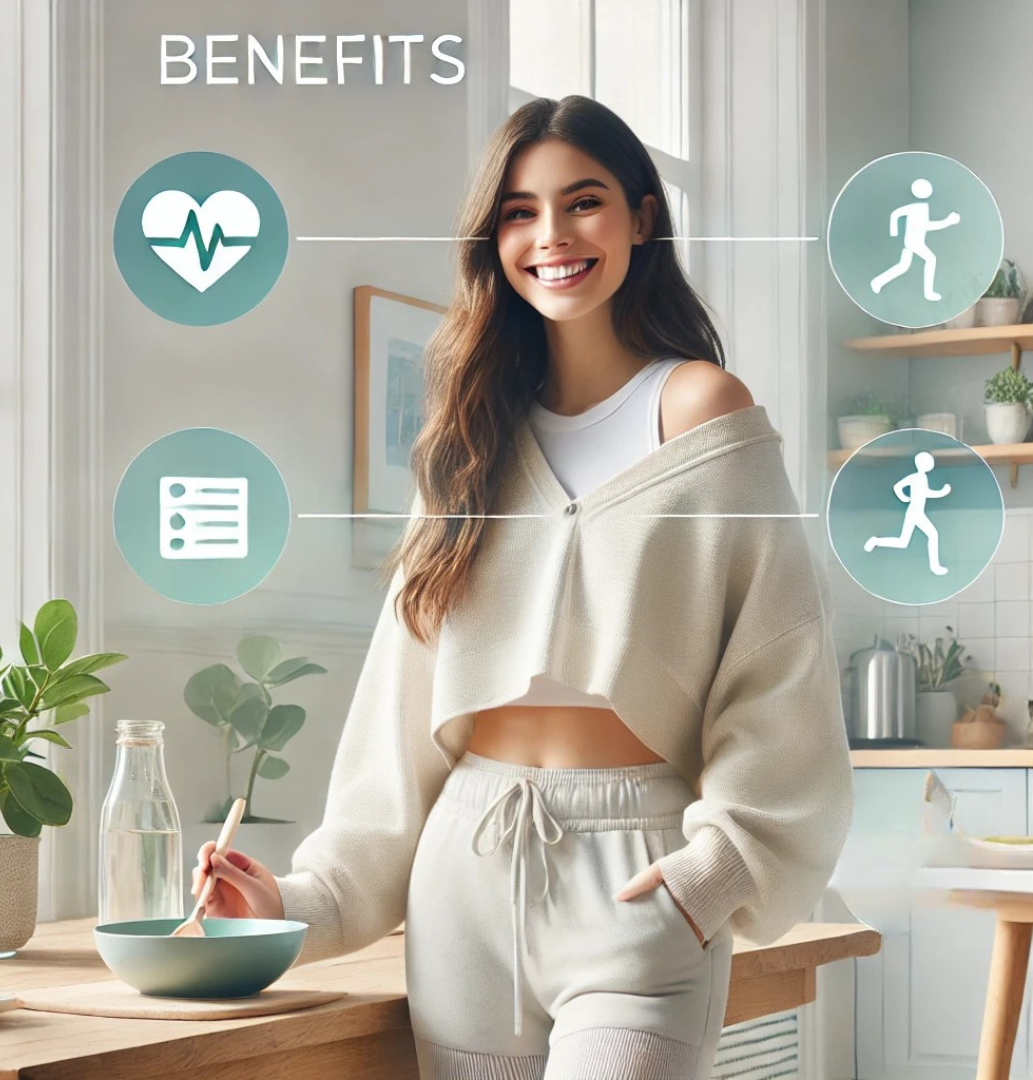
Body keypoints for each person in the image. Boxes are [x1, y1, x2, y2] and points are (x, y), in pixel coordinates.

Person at [191, 95, 856, 1080]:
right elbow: (400, 710)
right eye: (517, 211)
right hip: (464, 881)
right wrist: (301, 898)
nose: (550, 236)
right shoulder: (468, 441)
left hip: (639, 878)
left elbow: (778, 667)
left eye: (582, 202)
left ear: (640, 215)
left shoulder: (703, 411)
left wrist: (710, 879)